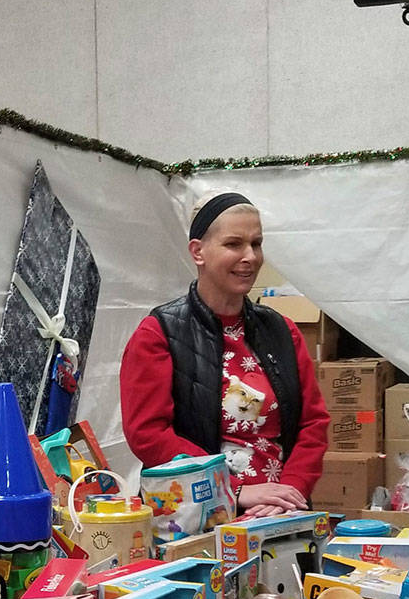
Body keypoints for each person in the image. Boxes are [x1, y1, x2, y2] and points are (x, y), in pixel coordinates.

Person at [119, 192, 329, 515]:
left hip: (280, 512)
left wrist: (290, 493)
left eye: (256, 244)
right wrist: (232, 489)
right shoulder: (158, 333)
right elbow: (148, 435)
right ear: (197, 252)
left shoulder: (282, 331)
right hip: (196, 515)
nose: (250, 257)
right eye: (234, 244)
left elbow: (312, 423)